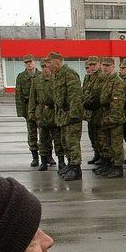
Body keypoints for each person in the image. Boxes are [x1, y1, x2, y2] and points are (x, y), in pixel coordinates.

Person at [49, 51, 84, 181]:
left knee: (72, 142)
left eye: (50, 63)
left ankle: (76, 169)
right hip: (63, 116)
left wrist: (74, 115)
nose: (48, 66)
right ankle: (70, 164)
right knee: (65, 142)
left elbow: (75, 95)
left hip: (71, 116)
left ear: (57, 62)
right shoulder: (57, 75)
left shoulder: (69, 74)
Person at [28, 58, 63, 173]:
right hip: (42, 113)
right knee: (43, 139)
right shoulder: (37, 80)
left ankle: (61, 161)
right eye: (43, 67)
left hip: (54, 112)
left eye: (47, 67)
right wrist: (31, 113)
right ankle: (43, 161)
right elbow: (32, 98)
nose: (45, 69)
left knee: (58, 139)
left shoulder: (56, 79)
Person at [95, 57, 126, 179]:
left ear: (113, 67)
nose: (105, 68)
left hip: (114, 119)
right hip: (105, 117)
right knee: (106, 143)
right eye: (104, 65)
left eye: (108, 65)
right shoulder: (104, 80)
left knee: (116, 144)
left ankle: (118, 167)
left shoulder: (116, 81)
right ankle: (110, 165)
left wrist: (110, 119)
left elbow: (117, 104)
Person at [15, 54, 40, 167]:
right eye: (27, 62)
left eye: (30, 62)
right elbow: (18, 95)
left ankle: (47, 156)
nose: (29, 64)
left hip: (40, 109)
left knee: (45, 134)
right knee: (32, 134)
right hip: (27, 108)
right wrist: (22, 112)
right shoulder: (21, 77)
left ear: (34, 62)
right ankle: (35, 157)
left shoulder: (41, 74)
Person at [83, 55, 102, 166]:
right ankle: (97, 154)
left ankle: (104, 157)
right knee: (92, 135)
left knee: (100, 136)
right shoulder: (88, 77)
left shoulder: (101, 77)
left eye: (94, 64)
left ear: (98, 65)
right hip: (90, 112)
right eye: (90, 65)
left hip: (98, 111)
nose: (92, 67)